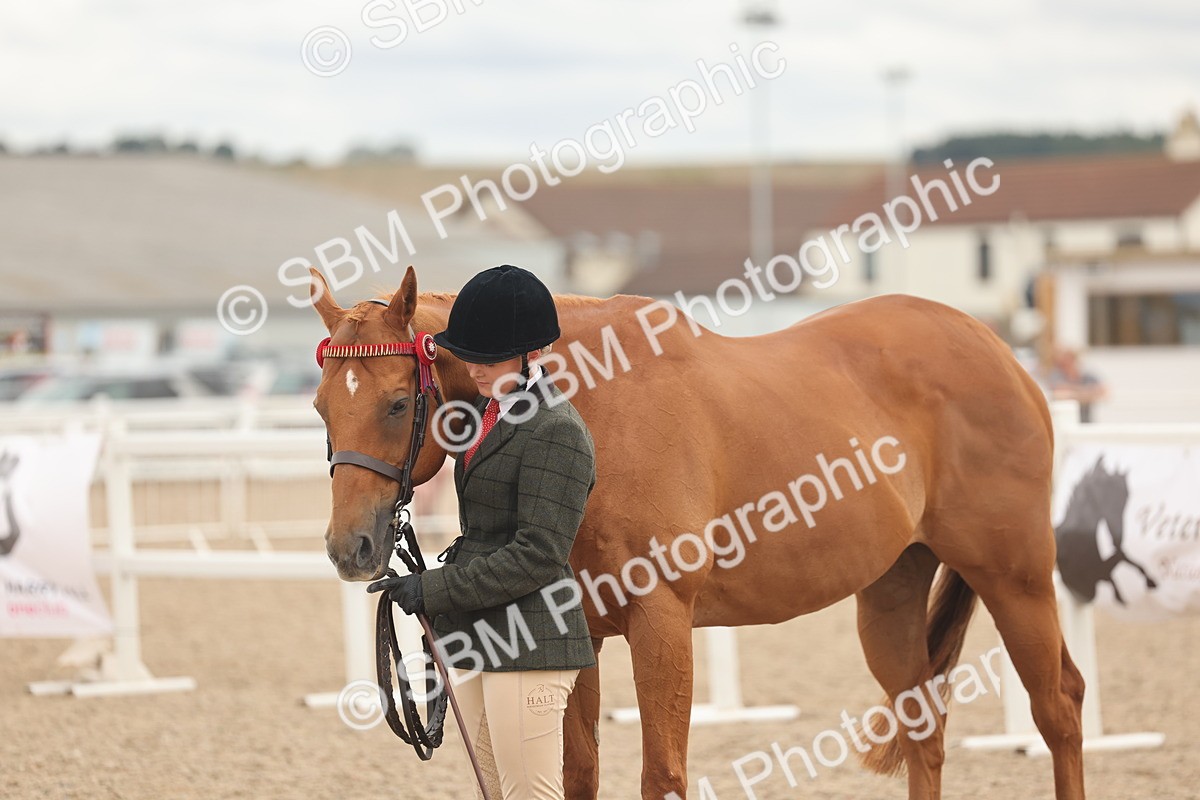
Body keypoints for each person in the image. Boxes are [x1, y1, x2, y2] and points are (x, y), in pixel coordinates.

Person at [369, 265, 597, 800]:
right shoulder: (487, 417)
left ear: (531, 354)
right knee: (493, 791)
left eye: (488, 358)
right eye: (469, 354)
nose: (474, 368)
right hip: (477, 635)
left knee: (528, 793)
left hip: (532, 643)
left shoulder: (557, 432)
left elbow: (538, 555)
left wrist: (433, 590)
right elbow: (486, 533)